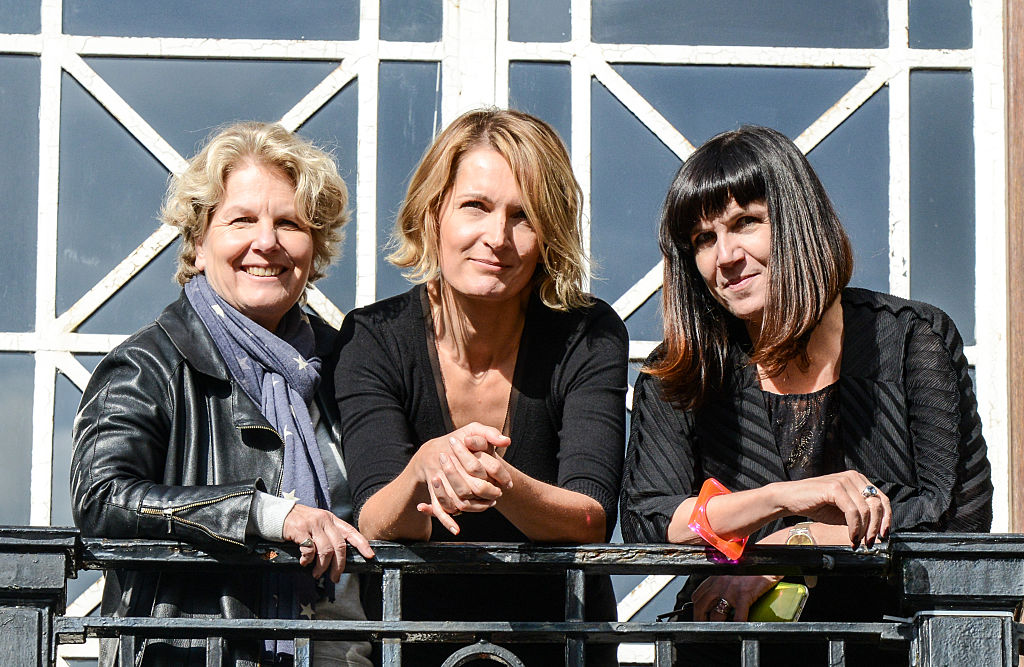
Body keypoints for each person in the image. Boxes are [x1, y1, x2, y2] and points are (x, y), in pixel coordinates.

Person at [620, 126, 992, 665]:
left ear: (796, 220)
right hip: (733, 649)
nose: (725, 256)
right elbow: (654, 522)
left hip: (892, 646)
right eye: (703, 239)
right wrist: (781, 500)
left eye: (746, 222)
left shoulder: (912, 340)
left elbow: (952, 514)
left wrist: (789, 546)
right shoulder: (678, 376)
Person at [71, 122, 375, 667]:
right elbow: (101, 499)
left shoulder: (349, 366)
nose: (267, 242)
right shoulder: (148, 363)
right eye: (242, 220)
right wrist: (262, 513)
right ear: (199, 240)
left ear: (316, 245)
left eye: (289, 223)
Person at [336, 108, 628, 665]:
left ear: (550, 235)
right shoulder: (372, 338)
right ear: (432, 214)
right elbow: (373, 518)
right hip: (412, 648)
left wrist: (502, 483)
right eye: (476, 207)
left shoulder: (588, 333)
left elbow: (593, 517)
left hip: (561, 645)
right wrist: (425, 469)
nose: (497, 237)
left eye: (524, 216)